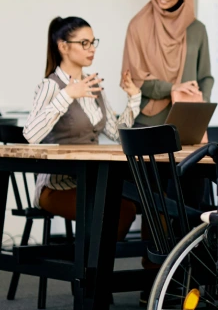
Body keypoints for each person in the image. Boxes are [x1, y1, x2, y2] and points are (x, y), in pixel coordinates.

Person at [23, 16, 140, 238]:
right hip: (56, 187)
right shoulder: (50, 86)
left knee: (147, 200)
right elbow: (30, 135)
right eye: (84, 43)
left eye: (93, 42)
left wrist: (133, 99)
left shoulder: (94, 86)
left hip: (91, 181)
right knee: (122, 211)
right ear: (63, 46)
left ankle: (97, 265)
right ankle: (92, 268)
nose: (91, 49)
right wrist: (67, 94)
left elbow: (117, 134)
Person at [122, 0, 213, 126]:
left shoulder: (196, 29)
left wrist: (201, 105)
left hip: (186, 122)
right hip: (149, 123)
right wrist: (173, 88)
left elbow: (205, 77)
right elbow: (135, 79)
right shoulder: (138, 26)